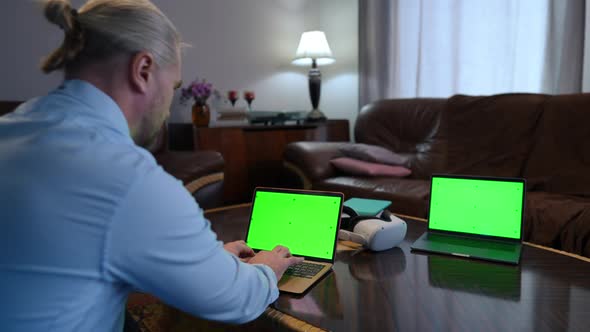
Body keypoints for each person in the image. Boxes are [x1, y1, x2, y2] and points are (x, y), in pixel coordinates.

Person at [0, 0, 303, 331]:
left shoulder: (11, 129)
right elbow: (236, 299)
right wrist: (266, 266)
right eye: (173, 86)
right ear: (143, 70)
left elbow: (71, 260)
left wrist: (204, 262)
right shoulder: (127, 177)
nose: (168, 102)